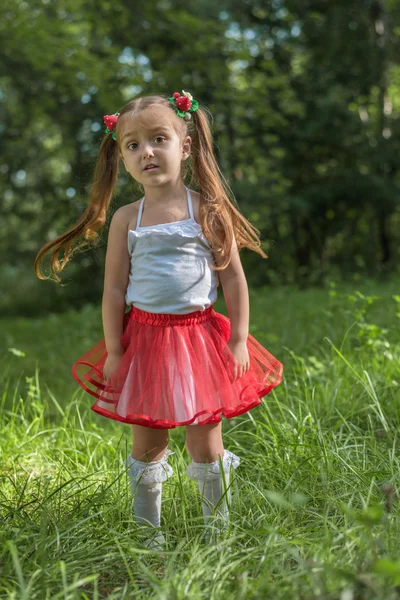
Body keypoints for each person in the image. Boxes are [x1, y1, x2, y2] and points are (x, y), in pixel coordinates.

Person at [35, 90, 283, 553]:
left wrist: (240, 339)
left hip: (200, 340)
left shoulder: (207, 211)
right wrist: (113, 349)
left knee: (205, 443)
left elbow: (233, 281)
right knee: (148, 443)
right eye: (132, 145)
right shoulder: (128, 219)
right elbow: (112, 290)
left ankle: (218, 531)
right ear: (123, 158)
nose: (145, 152)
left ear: (184, 146)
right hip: (145, 342)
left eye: (158, 139)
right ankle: (148, 534)